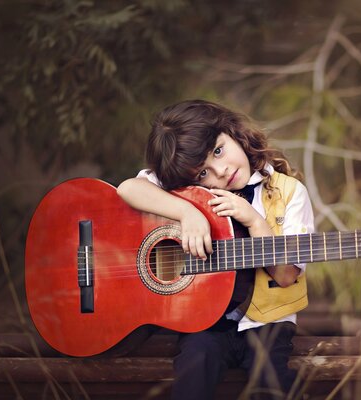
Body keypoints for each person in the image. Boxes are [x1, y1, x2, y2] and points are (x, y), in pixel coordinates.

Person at [117, 99, 315, 400]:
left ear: (231, 130)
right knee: (194, 369)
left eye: (218, 150)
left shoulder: (289, 193)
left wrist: (254, 220)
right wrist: (188, 213)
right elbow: (128, 189)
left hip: (267, 322)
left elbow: (286, 275)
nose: (220, 171)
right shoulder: (190, 194)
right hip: (204, 321)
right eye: (202, 174)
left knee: (272, 381)